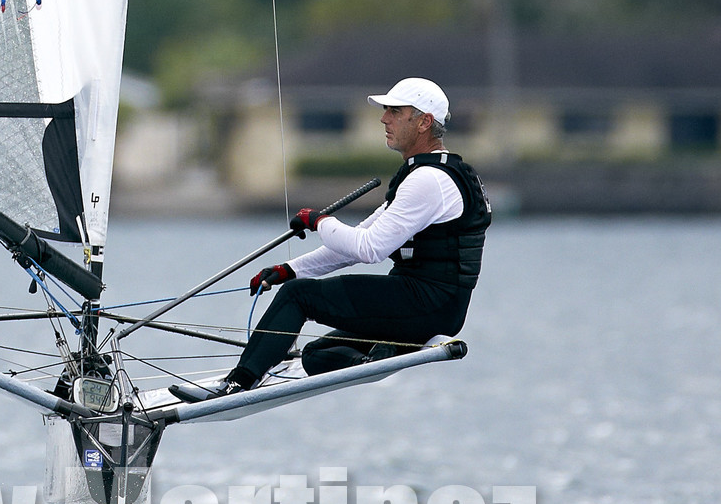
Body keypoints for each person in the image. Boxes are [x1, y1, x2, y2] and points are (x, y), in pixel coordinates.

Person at [172, 76, 489, 399]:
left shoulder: (428, 181)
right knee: (314, 355)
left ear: (424, 122)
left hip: (425, 304)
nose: (383, 118)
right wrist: (290, 269)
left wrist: (319, 221)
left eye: (395, 111)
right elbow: (359, 239)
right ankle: (377, 356)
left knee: (298, 297)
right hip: (432, 307)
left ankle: (238, 383)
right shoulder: (436, 173)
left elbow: (369, 249)